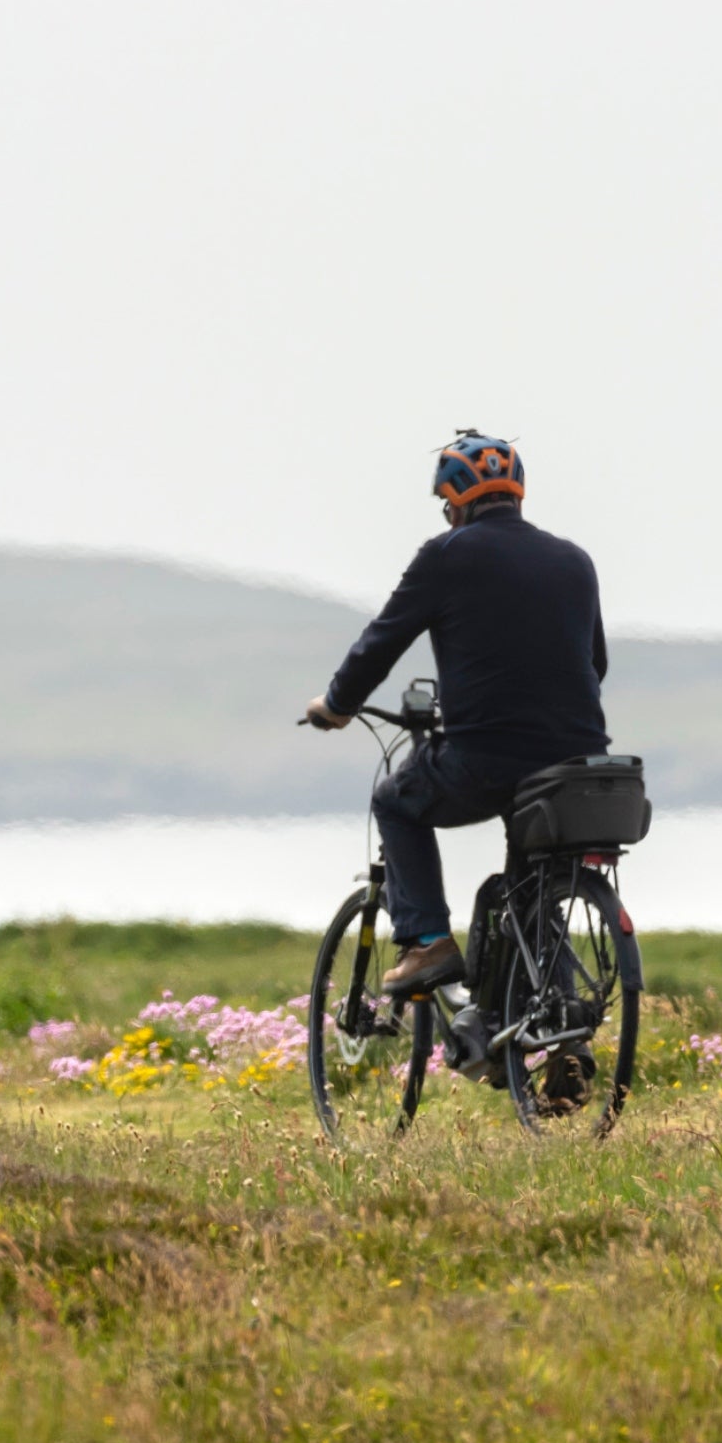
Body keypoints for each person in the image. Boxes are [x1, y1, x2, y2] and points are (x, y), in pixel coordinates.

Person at [304, 429, 611, 1021]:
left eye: (447, 504)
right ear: (517, 493)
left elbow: (381, 641)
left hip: (486, 759)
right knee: (532, 879)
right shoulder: (576, 560)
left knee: (396, 800)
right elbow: (594, 664)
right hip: (577, 766)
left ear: (458, 499)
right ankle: (553, 1022)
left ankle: (427, 944)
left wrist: (337, 704)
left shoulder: (447, 555)